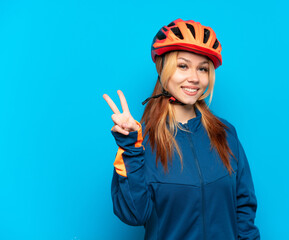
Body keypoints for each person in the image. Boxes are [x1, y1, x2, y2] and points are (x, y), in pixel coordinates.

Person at [103, 19, 260, 240]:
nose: (194, 78)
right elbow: (134, 214)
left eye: (202, 68)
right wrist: (130, 148)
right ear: (163, 69)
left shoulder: (225, 134)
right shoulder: (141, 142)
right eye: (183, 65)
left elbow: (243, 208)